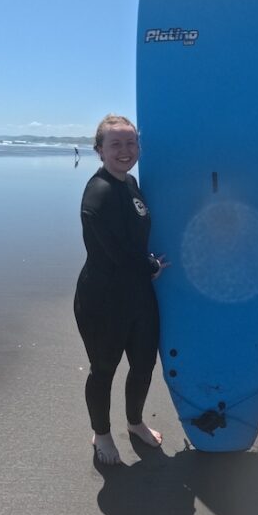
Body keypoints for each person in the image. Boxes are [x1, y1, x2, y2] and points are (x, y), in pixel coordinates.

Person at [74, 114, 168, 465]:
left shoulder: (130, 184)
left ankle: (135, 422)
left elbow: (135, 241)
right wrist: (152, 267)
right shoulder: (98, 194)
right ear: (100, 150)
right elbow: (117, 253)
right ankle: (101, 433)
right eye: (116, 144)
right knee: (104, 369)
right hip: (103, 299)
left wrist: (147, 267)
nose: (125, 150)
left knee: (143, 365)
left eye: (131, 143)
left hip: (138, 296)